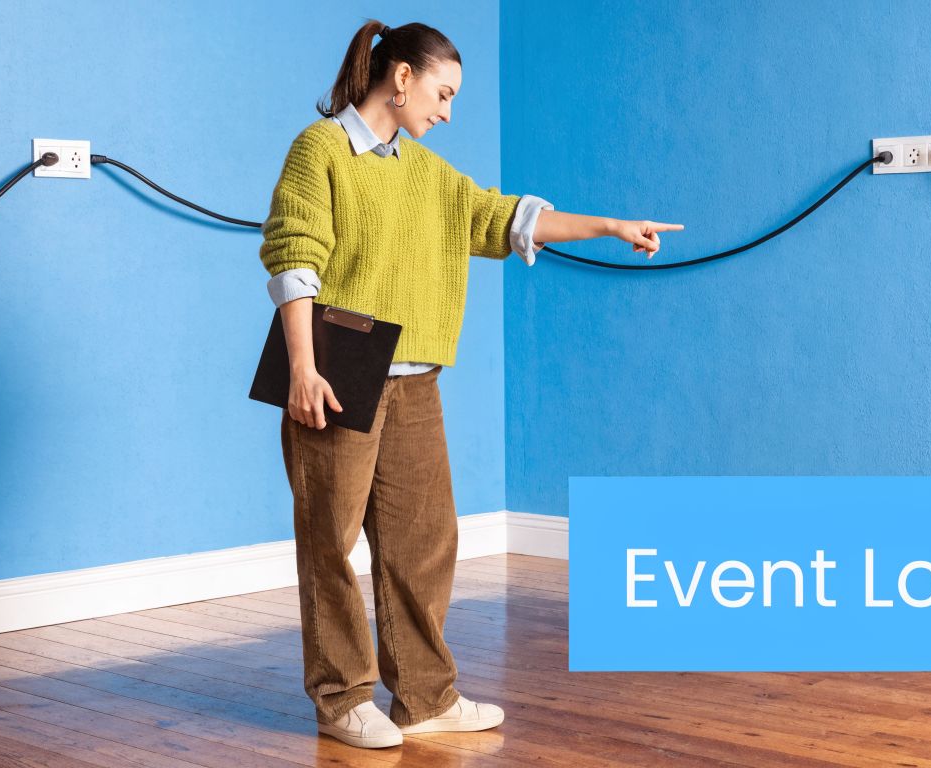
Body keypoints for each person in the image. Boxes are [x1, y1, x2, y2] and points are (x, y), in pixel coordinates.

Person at [259, 19, 684, 750]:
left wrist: (611, 225)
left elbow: (504, 216)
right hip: (338, 369)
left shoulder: (428, 176)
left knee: (425, 541)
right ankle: (340, 699)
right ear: (400, 77)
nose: (448, 112)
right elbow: (294, 257)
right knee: (330, 539)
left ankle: (423, 699)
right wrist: (302, 367)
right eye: (443, 93)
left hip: (416, 374)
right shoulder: (321, 149)